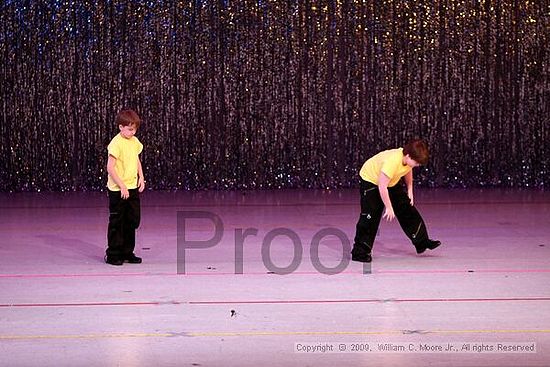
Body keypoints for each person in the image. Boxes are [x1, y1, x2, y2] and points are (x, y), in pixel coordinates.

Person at [351, 139, 441, 263]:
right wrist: (388, 206)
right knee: (370, 215)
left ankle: (422, 242)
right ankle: (360, 252)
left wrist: (410, 190)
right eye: (416, 162)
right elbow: (382, 186)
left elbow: (407, 170)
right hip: (370, 180)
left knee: (406, 208)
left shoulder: (408, 161)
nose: (417, 165)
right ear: (408, 155)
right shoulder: (392, 161)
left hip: (390, 181)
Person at [105, 109, 146, 266]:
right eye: (129, 129)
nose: (132, 132)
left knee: (132, 220)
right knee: (117, 221)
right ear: (121, 127)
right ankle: (114, 254)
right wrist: (122, 186)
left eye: (134, 129)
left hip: (132, 186)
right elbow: (110, 167)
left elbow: (136, 160)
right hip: (118, 189)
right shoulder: (116, 143)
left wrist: (141, 178)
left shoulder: (134, 142)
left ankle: (127, 252)